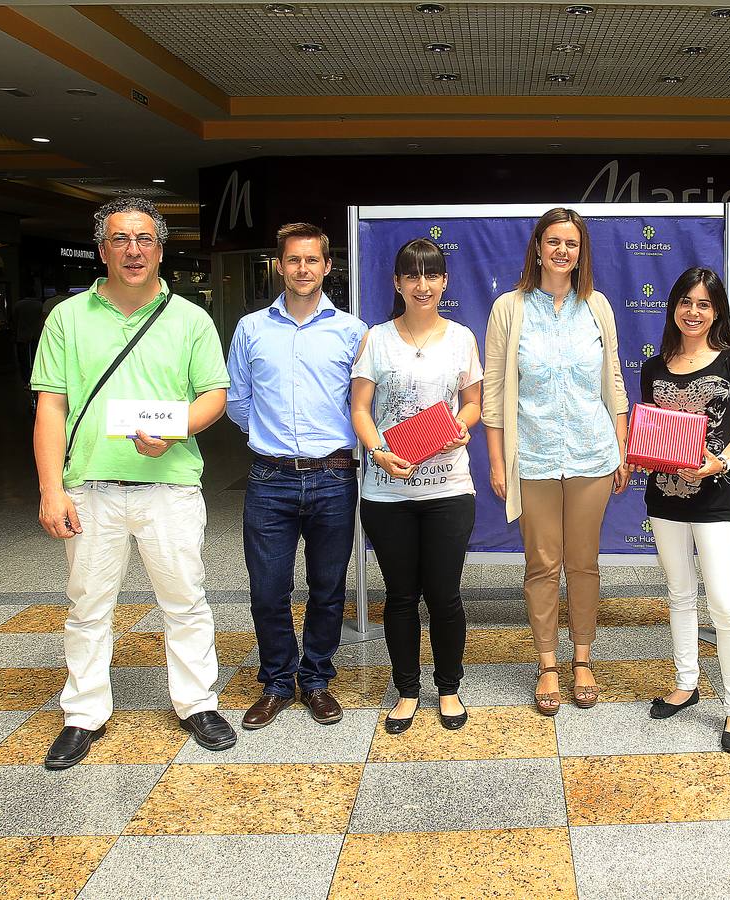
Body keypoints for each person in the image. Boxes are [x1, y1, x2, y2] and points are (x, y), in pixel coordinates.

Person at [32, 197, 234, 769]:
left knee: (185, 600)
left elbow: (212, 396)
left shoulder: (190, 319)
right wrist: (52, 489)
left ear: (161, 249)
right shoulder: (67, 318)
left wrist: (176, 432)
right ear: (102, 250)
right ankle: (84, 713)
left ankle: (197, 703)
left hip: (169, 488)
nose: (133, 250)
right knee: (88, 606)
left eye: (144, 239)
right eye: (120, 239)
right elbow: (50, 407)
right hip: (90, 487)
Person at [482, 207, 629, 716]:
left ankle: (582, 658)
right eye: (554, 242)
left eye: (571, 243)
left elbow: (613, 381)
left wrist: (622, 446)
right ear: (538, 248)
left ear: (580, 250)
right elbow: (496, 393)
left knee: (584, 563)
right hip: (535, 458)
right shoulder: (510, 307)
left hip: (593, 454)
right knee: (543, 564)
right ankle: (547, 662)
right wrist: (499, 463)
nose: (562, 251)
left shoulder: (599, 307)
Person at [226, 223, 367, 730]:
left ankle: (316, 679)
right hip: (269, 478)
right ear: (279, 265)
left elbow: (363, 403)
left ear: (328, 267)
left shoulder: (353, 332)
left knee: (328, 586)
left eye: (313, 260)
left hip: (333, 476)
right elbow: (236, 400)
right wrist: (270, 439)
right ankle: (278, 682)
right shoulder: (251, 329)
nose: (303, 269)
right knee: (267, 588)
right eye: (293, 260)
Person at [351, 239, 481, 733]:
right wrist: (377, 450)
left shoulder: (461, 338)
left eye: (432, 276)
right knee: (401, 595)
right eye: (412, 276)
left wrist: (462, 425)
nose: (422, 286)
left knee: (445, 595)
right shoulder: (377, 338)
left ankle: (449, 687)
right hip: (387, 491)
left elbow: (472, 402)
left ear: (445, 282)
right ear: (397, 284)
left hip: (448, 487)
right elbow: (361, 409)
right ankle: (407, 689)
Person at [639, 267, 730, 753]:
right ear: (673, 307)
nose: (693, 311)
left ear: (717, 311)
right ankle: (686, 683)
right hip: (664, 495)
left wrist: (718, 462)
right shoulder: (654, 366)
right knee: (679, 592)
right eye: (686, 301)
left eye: (704, 304)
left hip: (715, 495)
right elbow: (650, 431)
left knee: (724, 604)